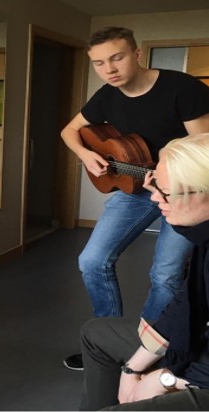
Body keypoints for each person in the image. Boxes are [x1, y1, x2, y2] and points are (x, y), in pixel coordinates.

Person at [60, 26, 209, 371]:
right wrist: (85, 154)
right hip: (135, 191)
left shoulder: (182, 89)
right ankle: (109, 339)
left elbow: (202, 153)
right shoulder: (106, 96)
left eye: (117, 57)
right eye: (98, 63)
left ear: (137, 54)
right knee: (92, 261)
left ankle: (148, 348)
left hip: (182, 195)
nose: (109, 69)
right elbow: (68, 131)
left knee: (166, 275)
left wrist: (169, 176)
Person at [79, 133, 209, 410]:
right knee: (97, 333)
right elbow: (185, 303)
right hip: (197, 347)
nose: (154, 200)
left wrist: (166, 379)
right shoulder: (203, 237)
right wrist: (131, 370)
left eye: (165, 192)